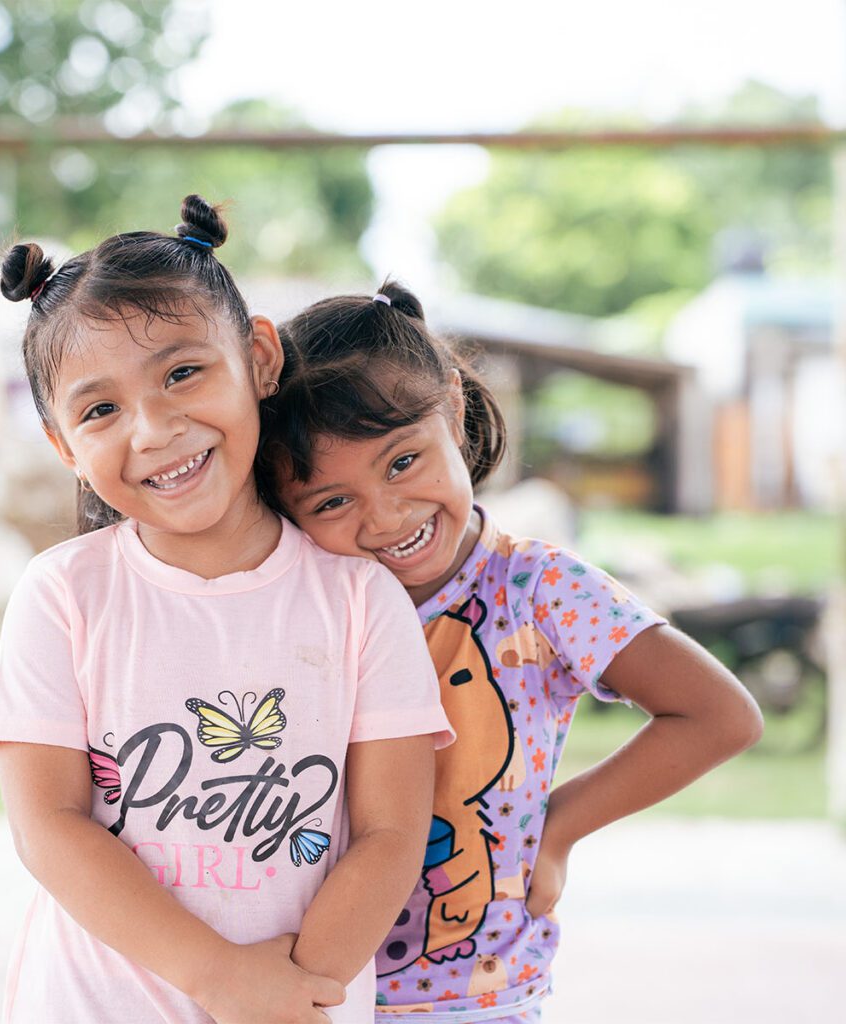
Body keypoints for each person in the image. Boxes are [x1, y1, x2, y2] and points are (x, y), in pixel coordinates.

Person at [0, 202, 454, 1024]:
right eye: (100, 410)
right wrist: (217, 978)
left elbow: (389, 835)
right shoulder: (61, 595)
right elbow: (51, 827)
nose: (156, 428)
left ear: (259, 358)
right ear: (63, 446)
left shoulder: (356, 597)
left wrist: (296, 990)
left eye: (182, 373)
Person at [258, 280, 765, 1024]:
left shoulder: (538, 589)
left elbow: (721, 716)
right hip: (307, 994)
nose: (387, 515)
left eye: (403, 462)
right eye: (332, 501)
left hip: (480, 1001)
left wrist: (557, 827)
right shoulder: (294, 602)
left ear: (454, 414)